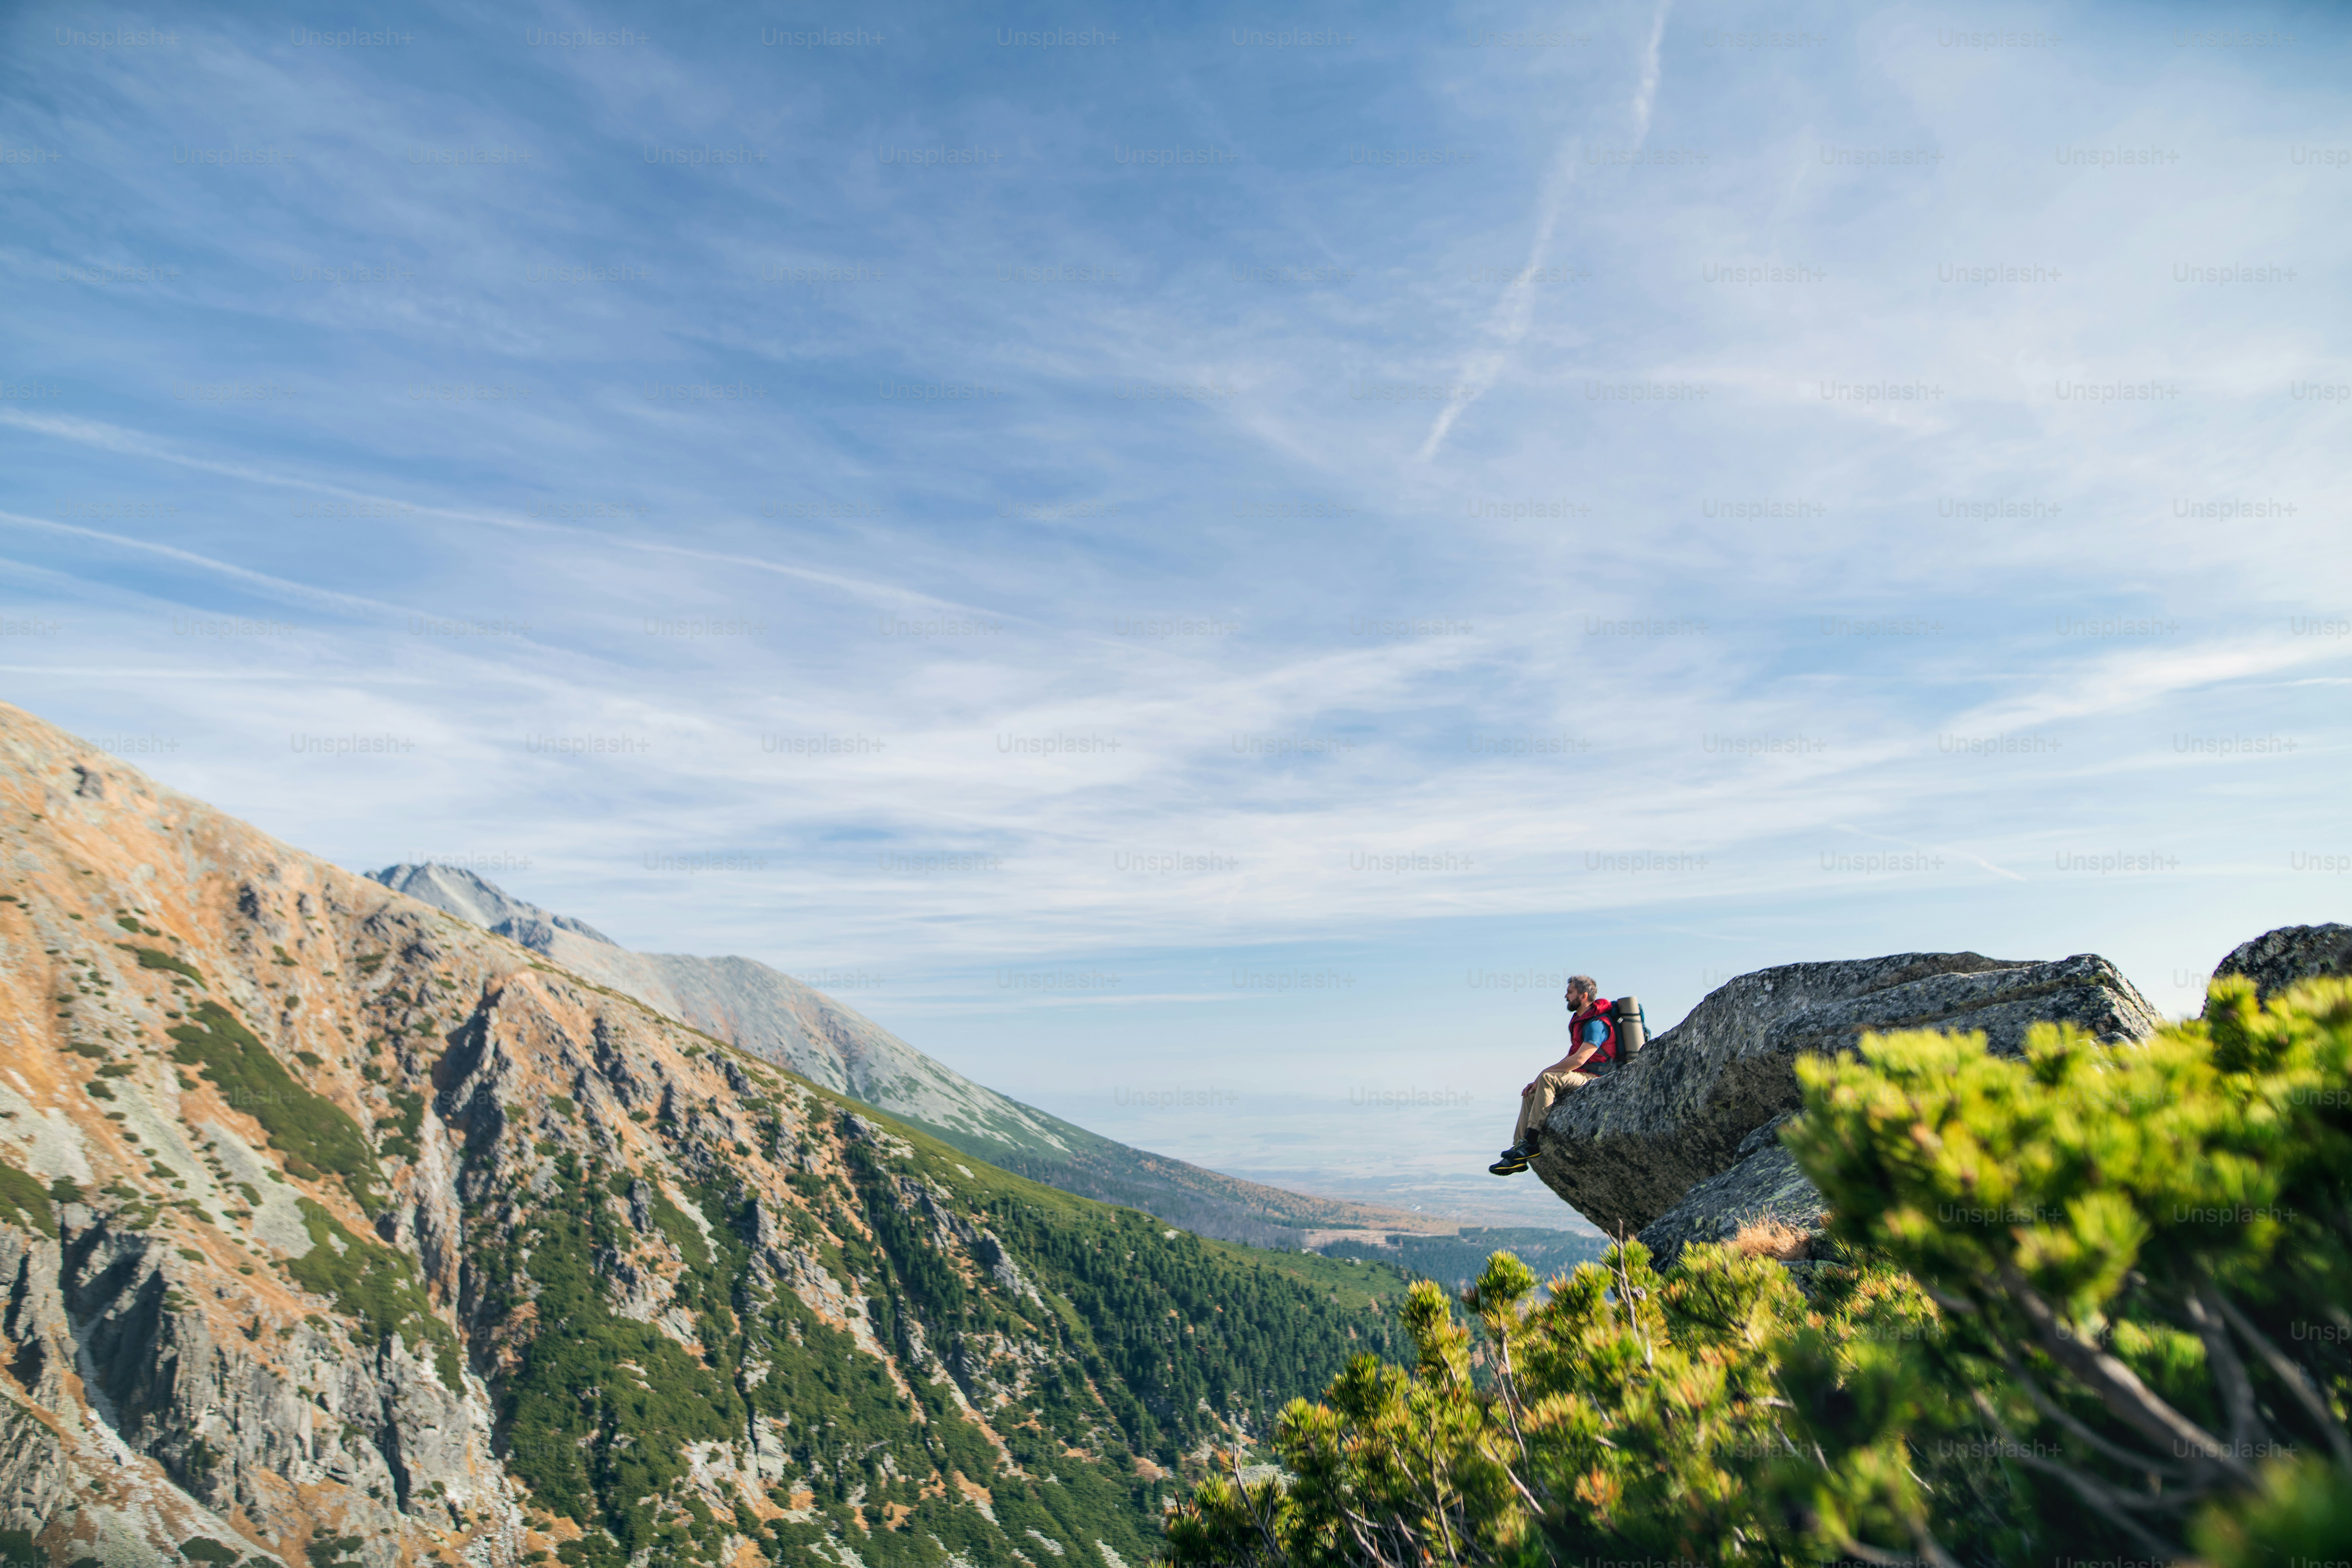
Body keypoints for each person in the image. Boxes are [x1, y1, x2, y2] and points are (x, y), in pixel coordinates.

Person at [1489, 974, 1617, 1176]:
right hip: (1582, 1075)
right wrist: (1537, 1081)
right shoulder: (1581, 1021)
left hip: (1596, 1078)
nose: (1566, 996)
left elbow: (1580, 1060)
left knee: (1548, 1079)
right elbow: (1573, 1056)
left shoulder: (1597, 1023)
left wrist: (1543, 1074)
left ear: (1583, 996)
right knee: (1531, 1092)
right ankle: (1516, 1155)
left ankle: (1530, 1142)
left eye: (1570, 992)